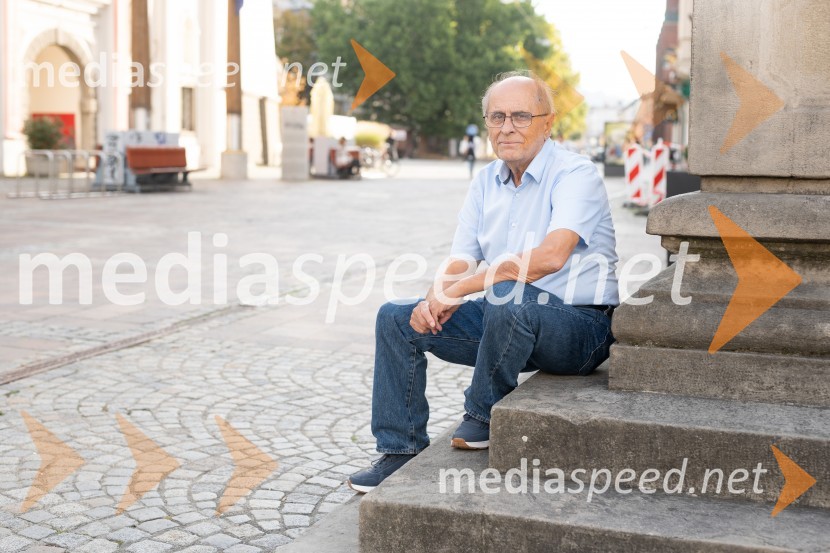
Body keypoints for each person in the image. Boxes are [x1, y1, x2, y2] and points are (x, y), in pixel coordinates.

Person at [348, 71, 619, 493]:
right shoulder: (484, 181)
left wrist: (459, 290)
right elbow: (460, 258)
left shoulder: (575, 174)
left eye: (521, 116)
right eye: (497, 117)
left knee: (512, 295)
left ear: (548, 122)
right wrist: (435, 295)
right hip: (505, 326)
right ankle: (399, 449)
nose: (507, 126)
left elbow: (549, 257)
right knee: (396, 318)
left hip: (579, 330)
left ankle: (481, 412)